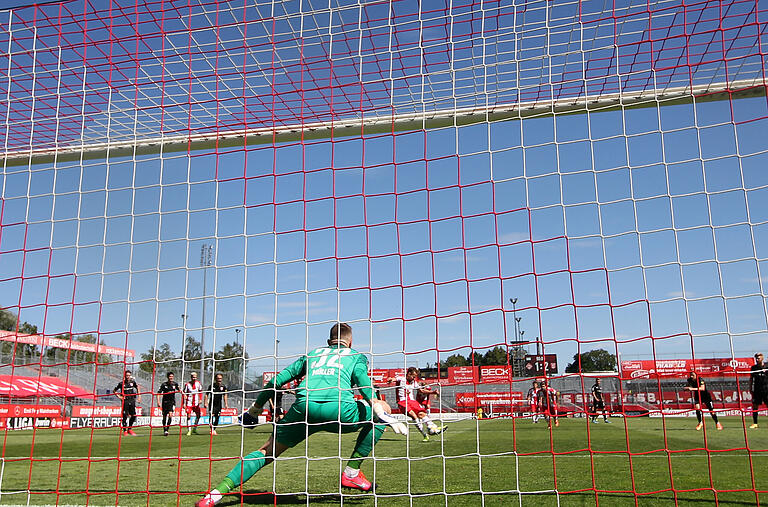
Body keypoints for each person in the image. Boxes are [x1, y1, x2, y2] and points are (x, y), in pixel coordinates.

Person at [195, 323, 407, 507]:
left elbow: (276, 381)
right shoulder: (356, 356)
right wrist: (377, 404)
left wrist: (255, 409)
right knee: (383, 412)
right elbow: (363, 382)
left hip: (303, 410)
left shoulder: (312, 354)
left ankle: (215, 494)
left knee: (266, 452)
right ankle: (351, 472)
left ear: (328, 341)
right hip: (340, 411)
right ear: (350, 343)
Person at [393, 367, 445, 442]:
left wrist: (433, 392)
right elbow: (394, 379)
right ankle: (424, 434)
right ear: (409, 374)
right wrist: (390, 379)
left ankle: (432, 427)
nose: (414, 378)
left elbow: (421, 390)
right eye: (413, 376)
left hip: (412, 401)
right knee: (413, 415)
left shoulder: (414, 382)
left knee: (422, 414)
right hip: (402, 402)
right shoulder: (402, 379)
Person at [114, 370, 140, 436]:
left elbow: (137, 387)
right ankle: (125, 431)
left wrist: (139, 396)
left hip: (132, 400)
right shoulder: (121, 383)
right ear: (125, 376)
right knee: (125, 416)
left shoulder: (132, 382)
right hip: (125, 401)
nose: (128, 377)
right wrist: (119, 396)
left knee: (134, 415)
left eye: (129, 375)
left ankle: (130, 429)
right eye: (127, 375)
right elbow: (114, 390)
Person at [156, 371, 180, 436]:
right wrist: (158, 401)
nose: (171, 378)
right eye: (170, 376)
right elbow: (158, 393)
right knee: (164, 416)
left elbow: (180, 390)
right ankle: (164, 429)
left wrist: (184, 394)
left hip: (172, 402)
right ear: (167, 377)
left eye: (172, 376)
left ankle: (167, 430)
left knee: (170, 415)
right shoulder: (164, 385)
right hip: (165, 402)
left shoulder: (175, 384)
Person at [749, 352, 768, 429]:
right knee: (755, 406)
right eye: (756, 358)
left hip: (766, 390)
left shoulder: (767, 367)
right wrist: (750, 388)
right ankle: (755, 423)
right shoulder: (753, 368)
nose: (757, 359)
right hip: (757, 390)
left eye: (758, 358)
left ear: (762, 358)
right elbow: (751, 379)